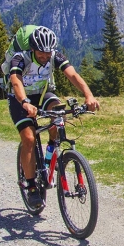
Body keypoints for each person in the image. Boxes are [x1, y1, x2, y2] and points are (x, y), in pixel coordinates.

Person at [7, 26, 99, 207]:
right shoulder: (19, 58)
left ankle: (51, 149)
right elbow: (16, 81)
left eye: (47, 54)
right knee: (29, 138)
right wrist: (25, 102)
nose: (44, 58)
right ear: (32, 49)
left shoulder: (54, 56)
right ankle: (32, 186)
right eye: (40, 54)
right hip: (20, 98)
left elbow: (72, 74)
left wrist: (88, 95)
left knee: (58, 114)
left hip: (43, 94)